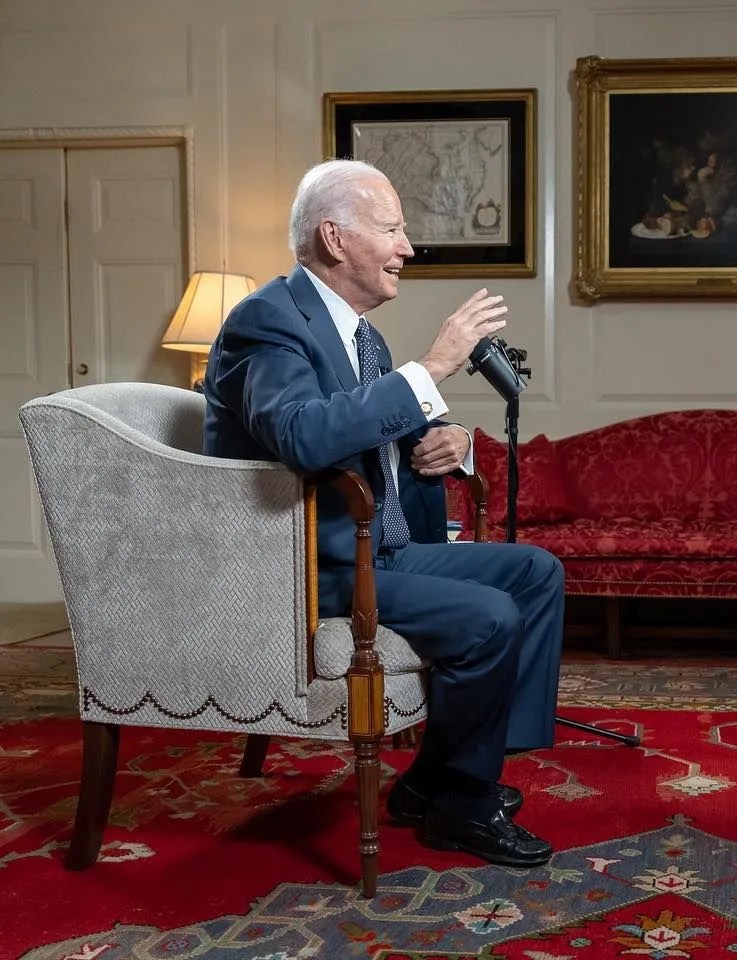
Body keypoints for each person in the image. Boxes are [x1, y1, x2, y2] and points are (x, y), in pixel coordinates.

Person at [203, 159, 564, 869]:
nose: (408, 248)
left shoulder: (362, 337)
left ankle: (443, 780)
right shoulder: (265, 324)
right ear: (335, 238)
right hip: (313, 565)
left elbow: (371, 431)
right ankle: (461, 797)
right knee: (488, 617)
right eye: (393, 230)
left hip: (379, 549)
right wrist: (430, 371)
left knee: (536, 573)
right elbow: (304, 437)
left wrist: (446, 444)